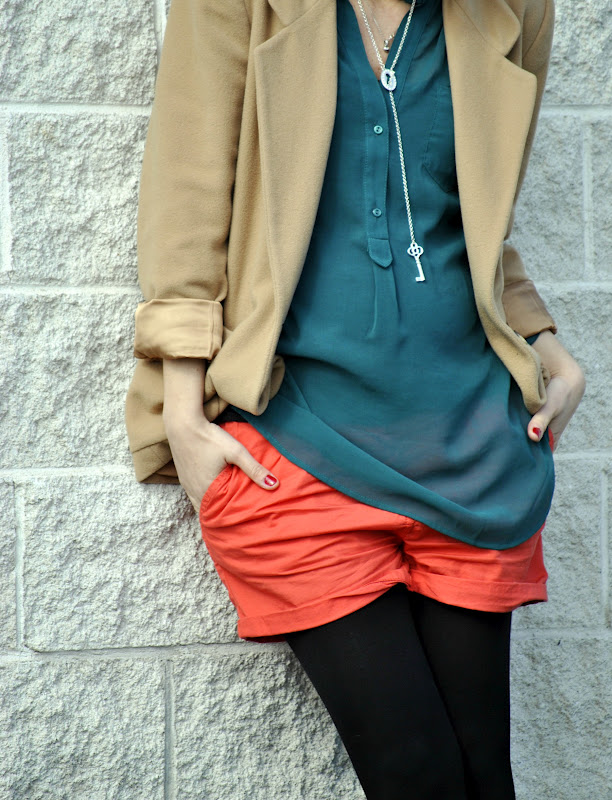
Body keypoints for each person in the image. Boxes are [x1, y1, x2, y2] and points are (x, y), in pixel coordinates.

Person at [125, 0, 586, 797]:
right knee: (418, 773)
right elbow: (188, 198)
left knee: (485, 775)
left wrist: (542, 340)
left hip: (471, 443)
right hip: (295, 445)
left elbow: (477, 215)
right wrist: (183, 410)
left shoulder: (513, 9)